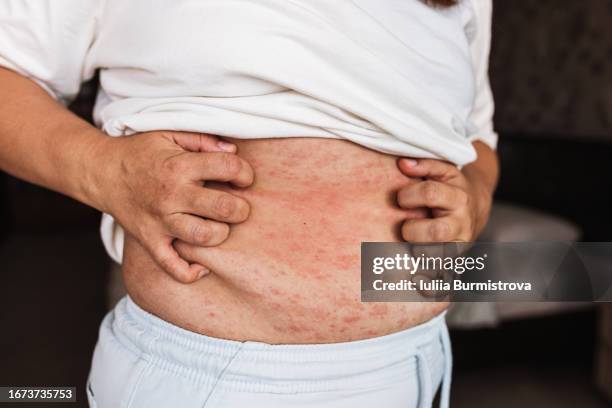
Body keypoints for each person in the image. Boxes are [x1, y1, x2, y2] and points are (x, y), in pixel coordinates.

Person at [0, 0, 498, 406]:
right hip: (204, 383)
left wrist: (474, 194)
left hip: (416, 364)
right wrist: (104, 168)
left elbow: (475, 135)